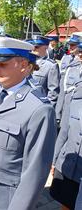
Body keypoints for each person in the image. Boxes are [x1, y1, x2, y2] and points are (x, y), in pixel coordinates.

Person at [0, 36, 56, 210]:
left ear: (23, 64)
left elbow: (35, 173)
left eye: (3, 64)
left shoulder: (39, 109)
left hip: (7, 200)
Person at [50, 80, 82, 210]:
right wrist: (54, 160)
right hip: (69, 166)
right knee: (66, 204)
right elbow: (63, 131)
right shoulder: (74, 95)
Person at [56, 34, 81, 124]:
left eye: (73, 45)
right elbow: (62, 90)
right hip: (65, 108)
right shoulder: (65, 59)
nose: (70, 47)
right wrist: (57, 113)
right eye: (69, 44)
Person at [30, 35, 60, 107]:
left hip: (39, 106)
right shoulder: (25, 63)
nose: (33, 49)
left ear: (46, 47)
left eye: (36, 47)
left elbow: (53, 93)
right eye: (32, 46)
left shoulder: (51, 66)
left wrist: (47, 109)